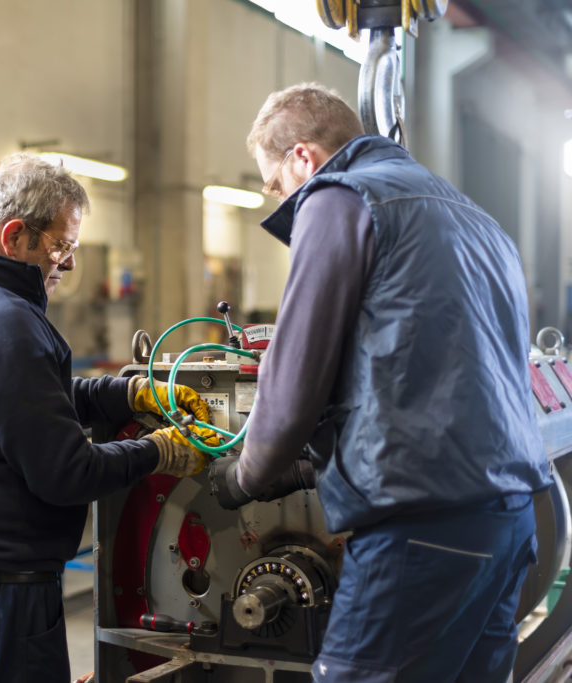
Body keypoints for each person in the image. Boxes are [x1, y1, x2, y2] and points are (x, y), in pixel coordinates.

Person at [208, 83, 552, 682]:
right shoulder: (476, 218)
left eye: (275, 185)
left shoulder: (338, 198)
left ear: (304, 160)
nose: (281, 197)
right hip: (512, 518)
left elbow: (292, 385)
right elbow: (422, 382)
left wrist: (244, 476)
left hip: (421, 529)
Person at [0, 152, 215, 683]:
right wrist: (164, 450)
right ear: (15, 236)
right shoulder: (2, 320)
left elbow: (27, 399)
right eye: (61, 246)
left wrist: (130, 395)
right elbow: (68, 473)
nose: (67, 264)